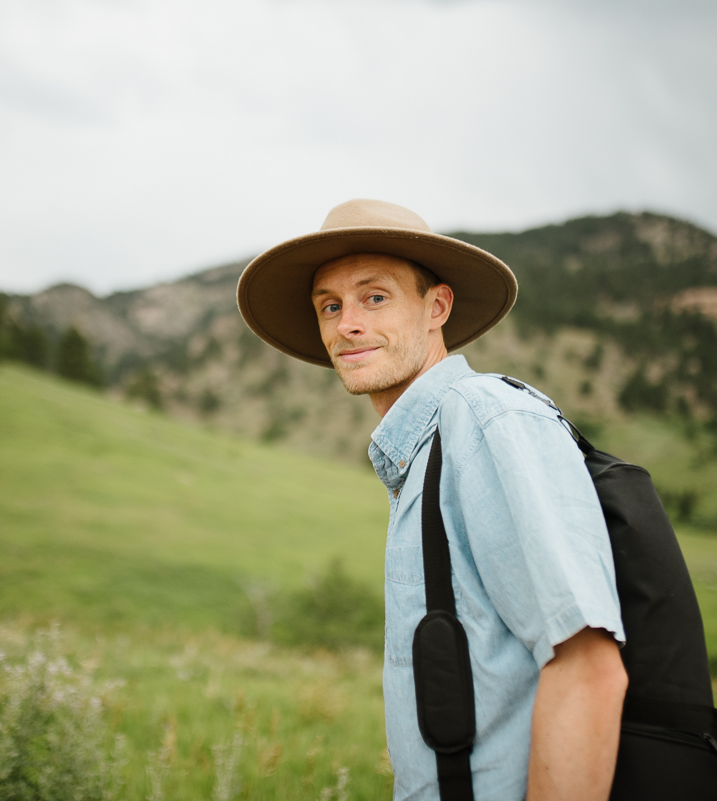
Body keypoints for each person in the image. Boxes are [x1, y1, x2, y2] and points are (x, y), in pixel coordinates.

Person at [237, 199, 628, 801]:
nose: (347, 325)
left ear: (436, 307)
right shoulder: (425, 453)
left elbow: (588, 666)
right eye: (330, 306)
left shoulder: (484, 420)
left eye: (374, 297)